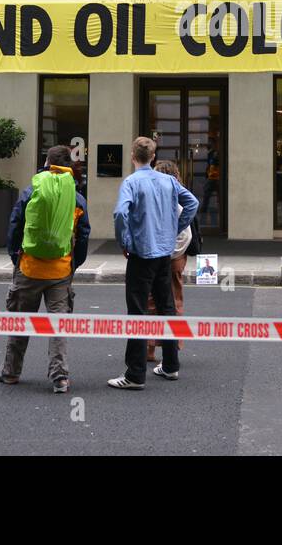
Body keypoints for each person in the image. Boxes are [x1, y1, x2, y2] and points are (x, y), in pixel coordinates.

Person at [0, 145, 90, 394]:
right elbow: (84, 233)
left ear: (47, 162)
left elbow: (15, 224)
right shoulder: (77, 196)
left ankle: (11, 372)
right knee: (58, 326)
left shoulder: (31, 188)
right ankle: (60, 377)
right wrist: (73, 263)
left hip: (30, 267)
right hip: (60, 270)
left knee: (21, 322)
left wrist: (16, 256)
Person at [107, 137, 198, 390]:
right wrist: (175, 229)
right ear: (154, 157)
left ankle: (135, 375)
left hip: (141, 254)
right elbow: (193, 203)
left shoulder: (132, 182)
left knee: (137, 311)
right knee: (166, 307)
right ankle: (170, 366)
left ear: (132, 157)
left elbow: (120, 213)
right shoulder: (168, 181)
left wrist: (124, 240)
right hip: (164, 253)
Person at [146, 160, 195, 362]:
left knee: (152, 302)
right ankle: (172, 346)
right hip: (174, 258)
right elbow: (186, 236)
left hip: (163, 257)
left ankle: (152, 348)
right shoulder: (177, 196)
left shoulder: (170, 199)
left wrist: (165, 249)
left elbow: (184, 234)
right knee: (173, 302)